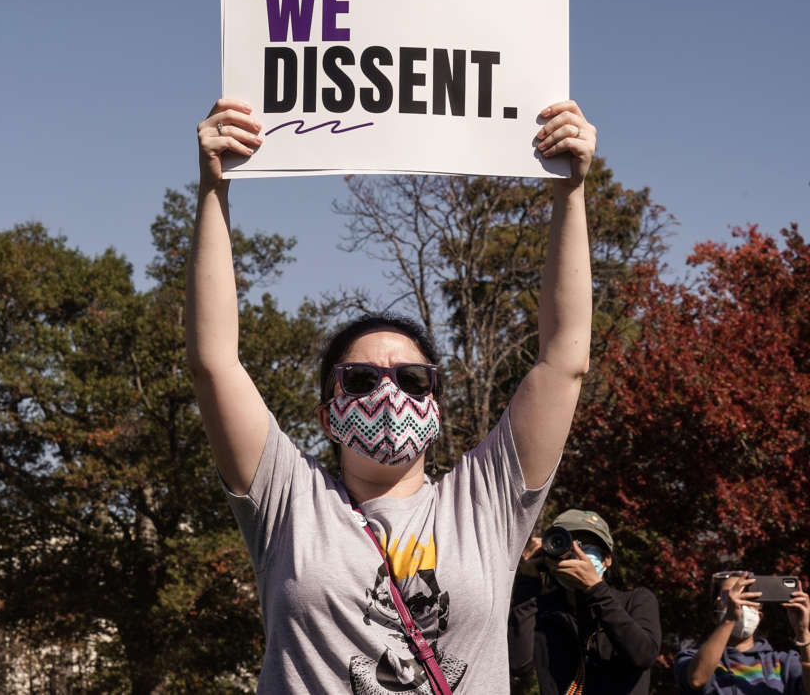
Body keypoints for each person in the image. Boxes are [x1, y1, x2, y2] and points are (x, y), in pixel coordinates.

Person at [187, 97, 595, 694]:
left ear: (434, 401)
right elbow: (213, 363)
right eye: (360, 379)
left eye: (410, 379)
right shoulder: (289, 502)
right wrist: (213, 189)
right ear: (328, 415)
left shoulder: (487, 502)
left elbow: (564, 361)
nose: (387, 392)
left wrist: (570, 191)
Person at [508, 508, 661, 694]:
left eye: (585, 547)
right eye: (566, 545)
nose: (575, 554)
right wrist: (527, 582)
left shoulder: (636, 600)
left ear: (607, 559)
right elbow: (518, 664)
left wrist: (595, 589)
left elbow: (643, 656)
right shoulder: (544, 610)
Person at [675, 573, 810, 694]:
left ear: (760, 614)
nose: (739, 603)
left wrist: (803, 632)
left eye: (749, 595)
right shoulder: (691, 657)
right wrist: (730, 619)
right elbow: (697, 680)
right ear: (715, 612)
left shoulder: (782, 662)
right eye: (729, 596)